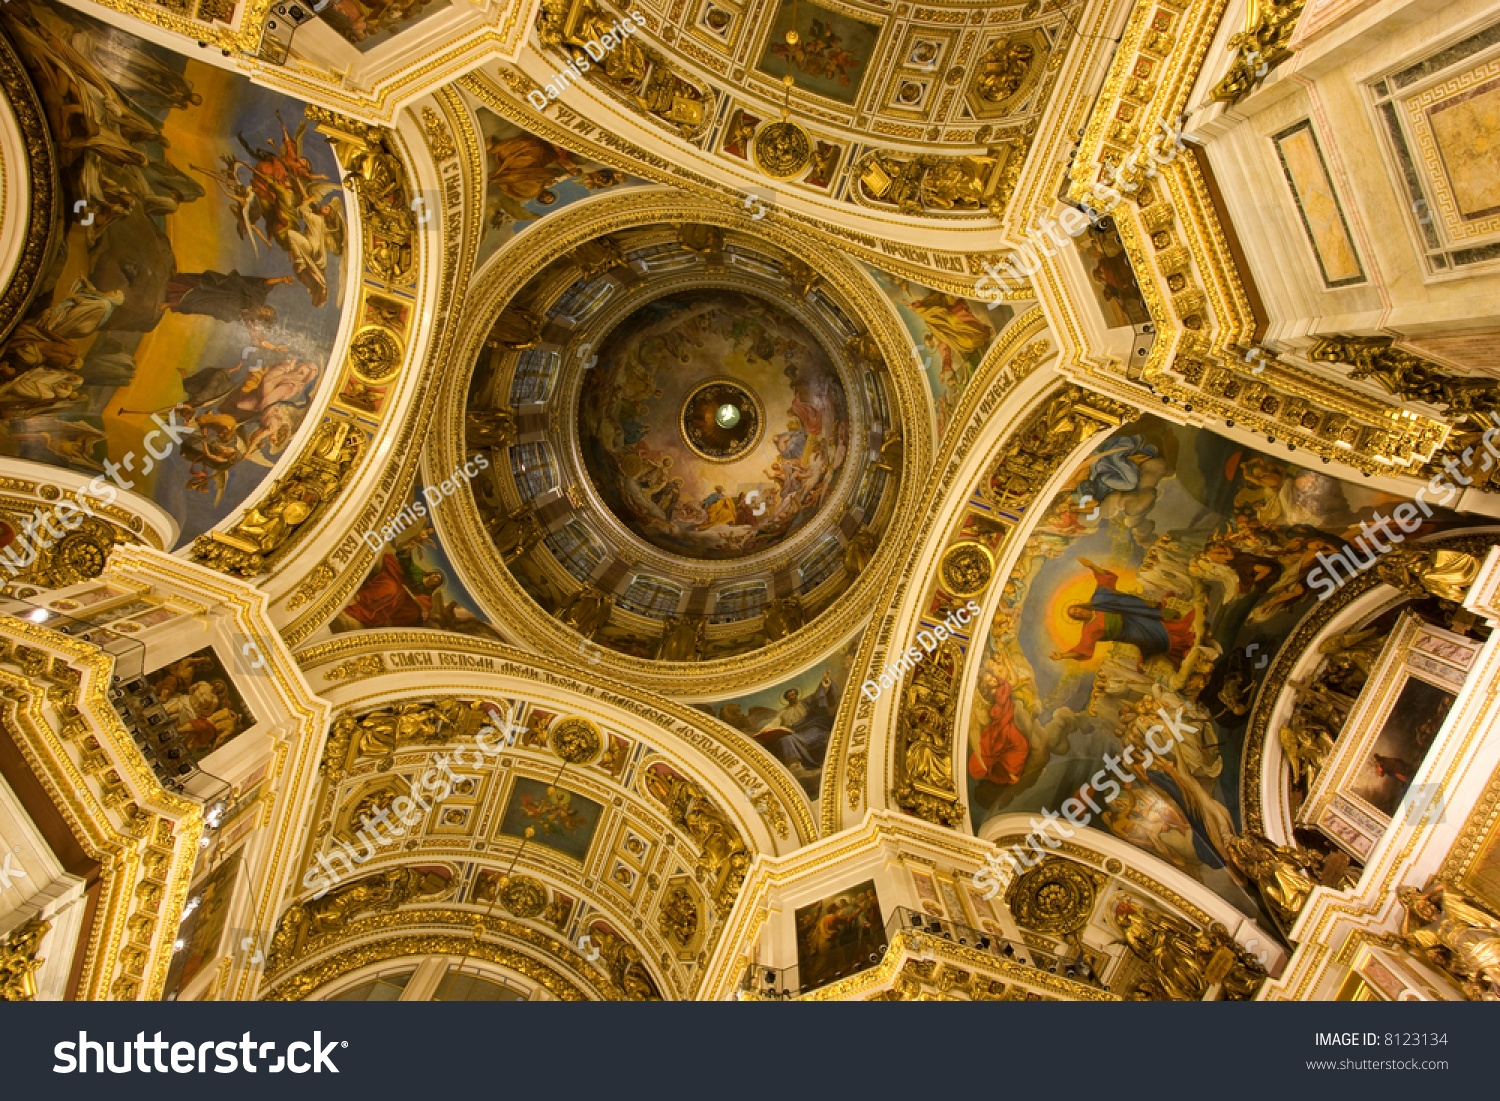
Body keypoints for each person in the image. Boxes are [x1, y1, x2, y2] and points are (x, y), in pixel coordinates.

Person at [1052, 557, 1197, 668]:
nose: (1077, 613)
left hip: (1131, 617)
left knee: (1155, 626)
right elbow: (1082, 650)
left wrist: (1092, 566)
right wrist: (1063, 656)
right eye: (1074, 614)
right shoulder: (1089, 630)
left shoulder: (1098, 601)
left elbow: (1105, 580)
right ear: (1076, 618)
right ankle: (1182, 649)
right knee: (1153, 640)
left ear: (1081, 606)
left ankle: (1185, 633)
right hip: (1127, 633)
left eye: (1076, 609)